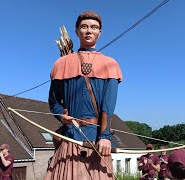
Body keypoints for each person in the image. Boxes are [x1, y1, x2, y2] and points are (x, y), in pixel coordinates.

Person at [46, 10, 122, 180]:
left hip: (96, 141)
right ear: (77, 31)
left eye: (94, 27)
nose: (89, 31)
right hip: (70, 138)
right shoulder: (61, 64)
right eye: (84, 27)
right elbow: (53, 102)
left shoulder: (110, 64)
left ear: (99, 33)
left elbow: (108, 106)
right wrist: (61, 116)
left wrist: (104, 137)